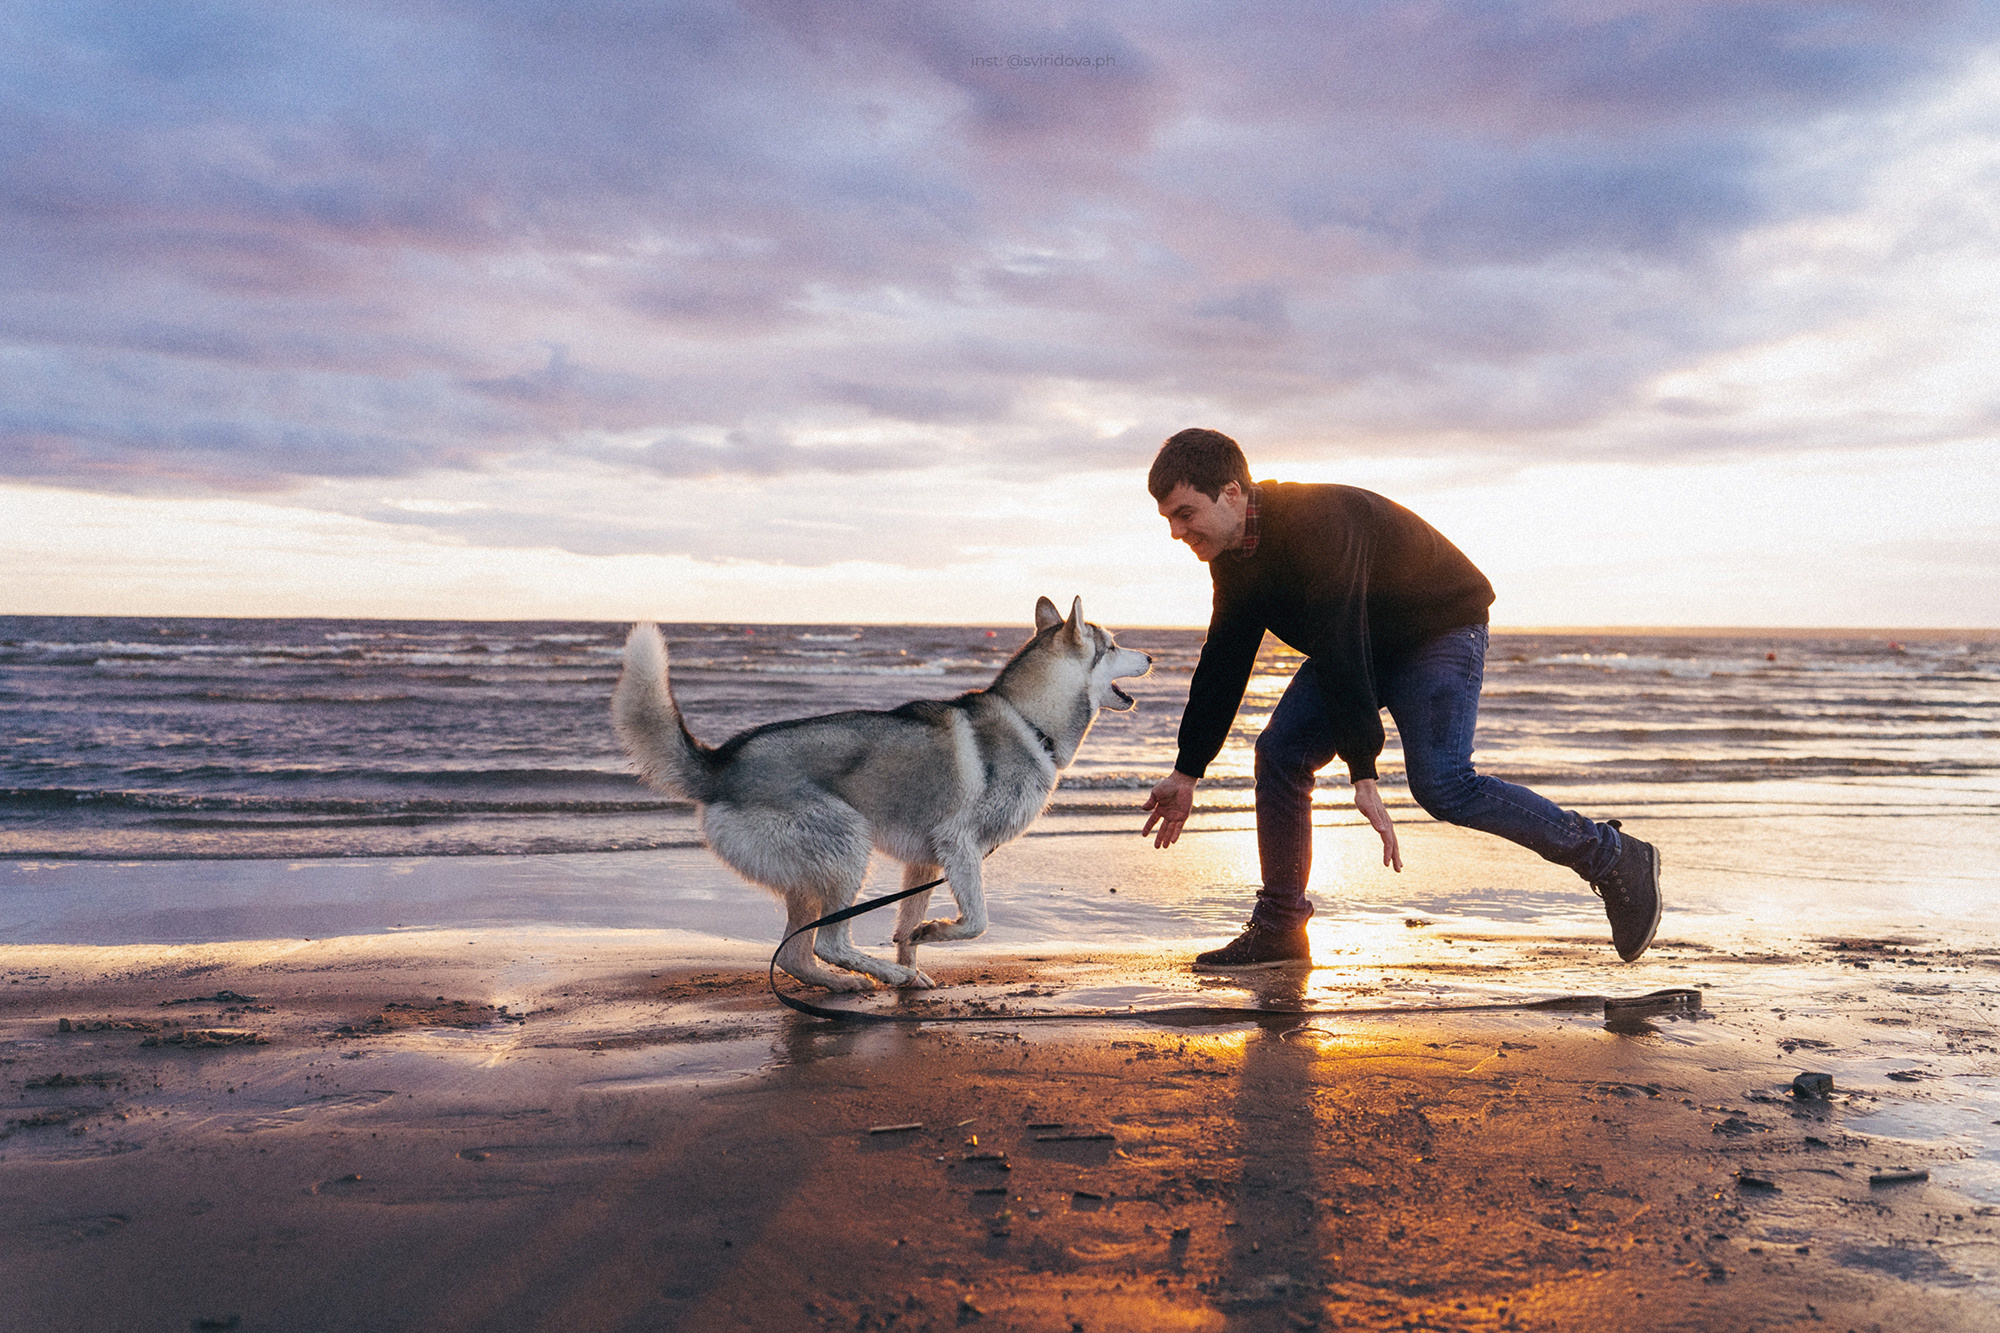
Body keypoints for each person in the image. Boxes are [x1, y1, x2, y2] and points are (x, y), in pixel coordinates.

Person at [1139, 428, 1661, 970]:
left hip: (1438, 630)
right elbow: (1225, 658)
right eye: (1169, 520)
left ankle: (1612, 855)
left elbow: (1339, 641)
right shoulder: (1232, 554)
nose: (1177, 532)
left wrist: (1363, 771)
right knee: (1280, 753)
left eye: (1185, 513)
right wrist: (1187, 770)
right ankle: (1279, 931)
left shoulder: (1318, 521)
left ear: (1229, 492)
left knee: (1442, 784)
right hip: (1365, 639)